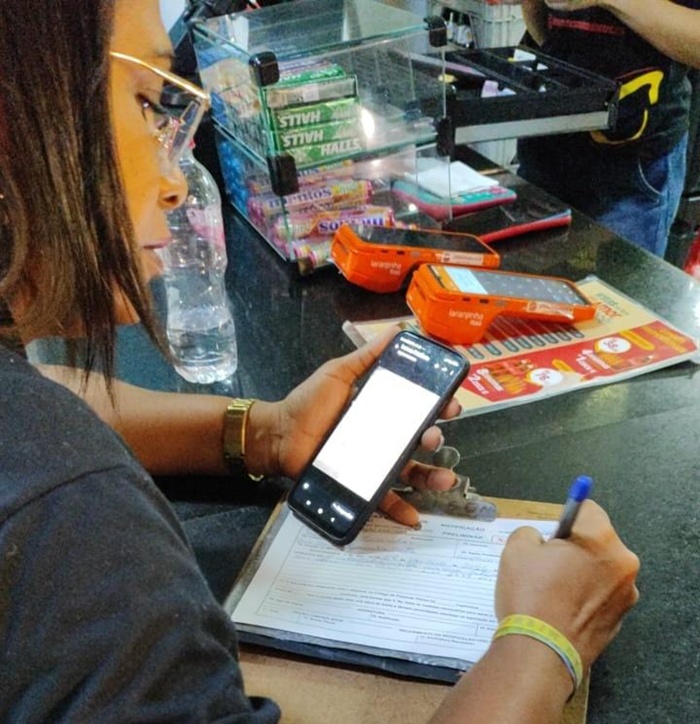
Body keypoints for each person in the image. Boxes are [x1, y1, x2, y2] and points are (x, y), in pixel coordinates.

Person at [0, 1, 639, 722]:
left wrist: (264, 431)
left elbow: (44, 396)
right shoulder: (69, 518)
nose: (175, 181)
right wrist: (545, 639)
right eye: (149, 101)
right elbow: (48, 456)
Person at [518, 0, 700, 257]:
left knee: (615, 282)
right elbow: (540, 19)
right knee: (527, 276)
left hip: (633, 164)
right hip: (547, 147)